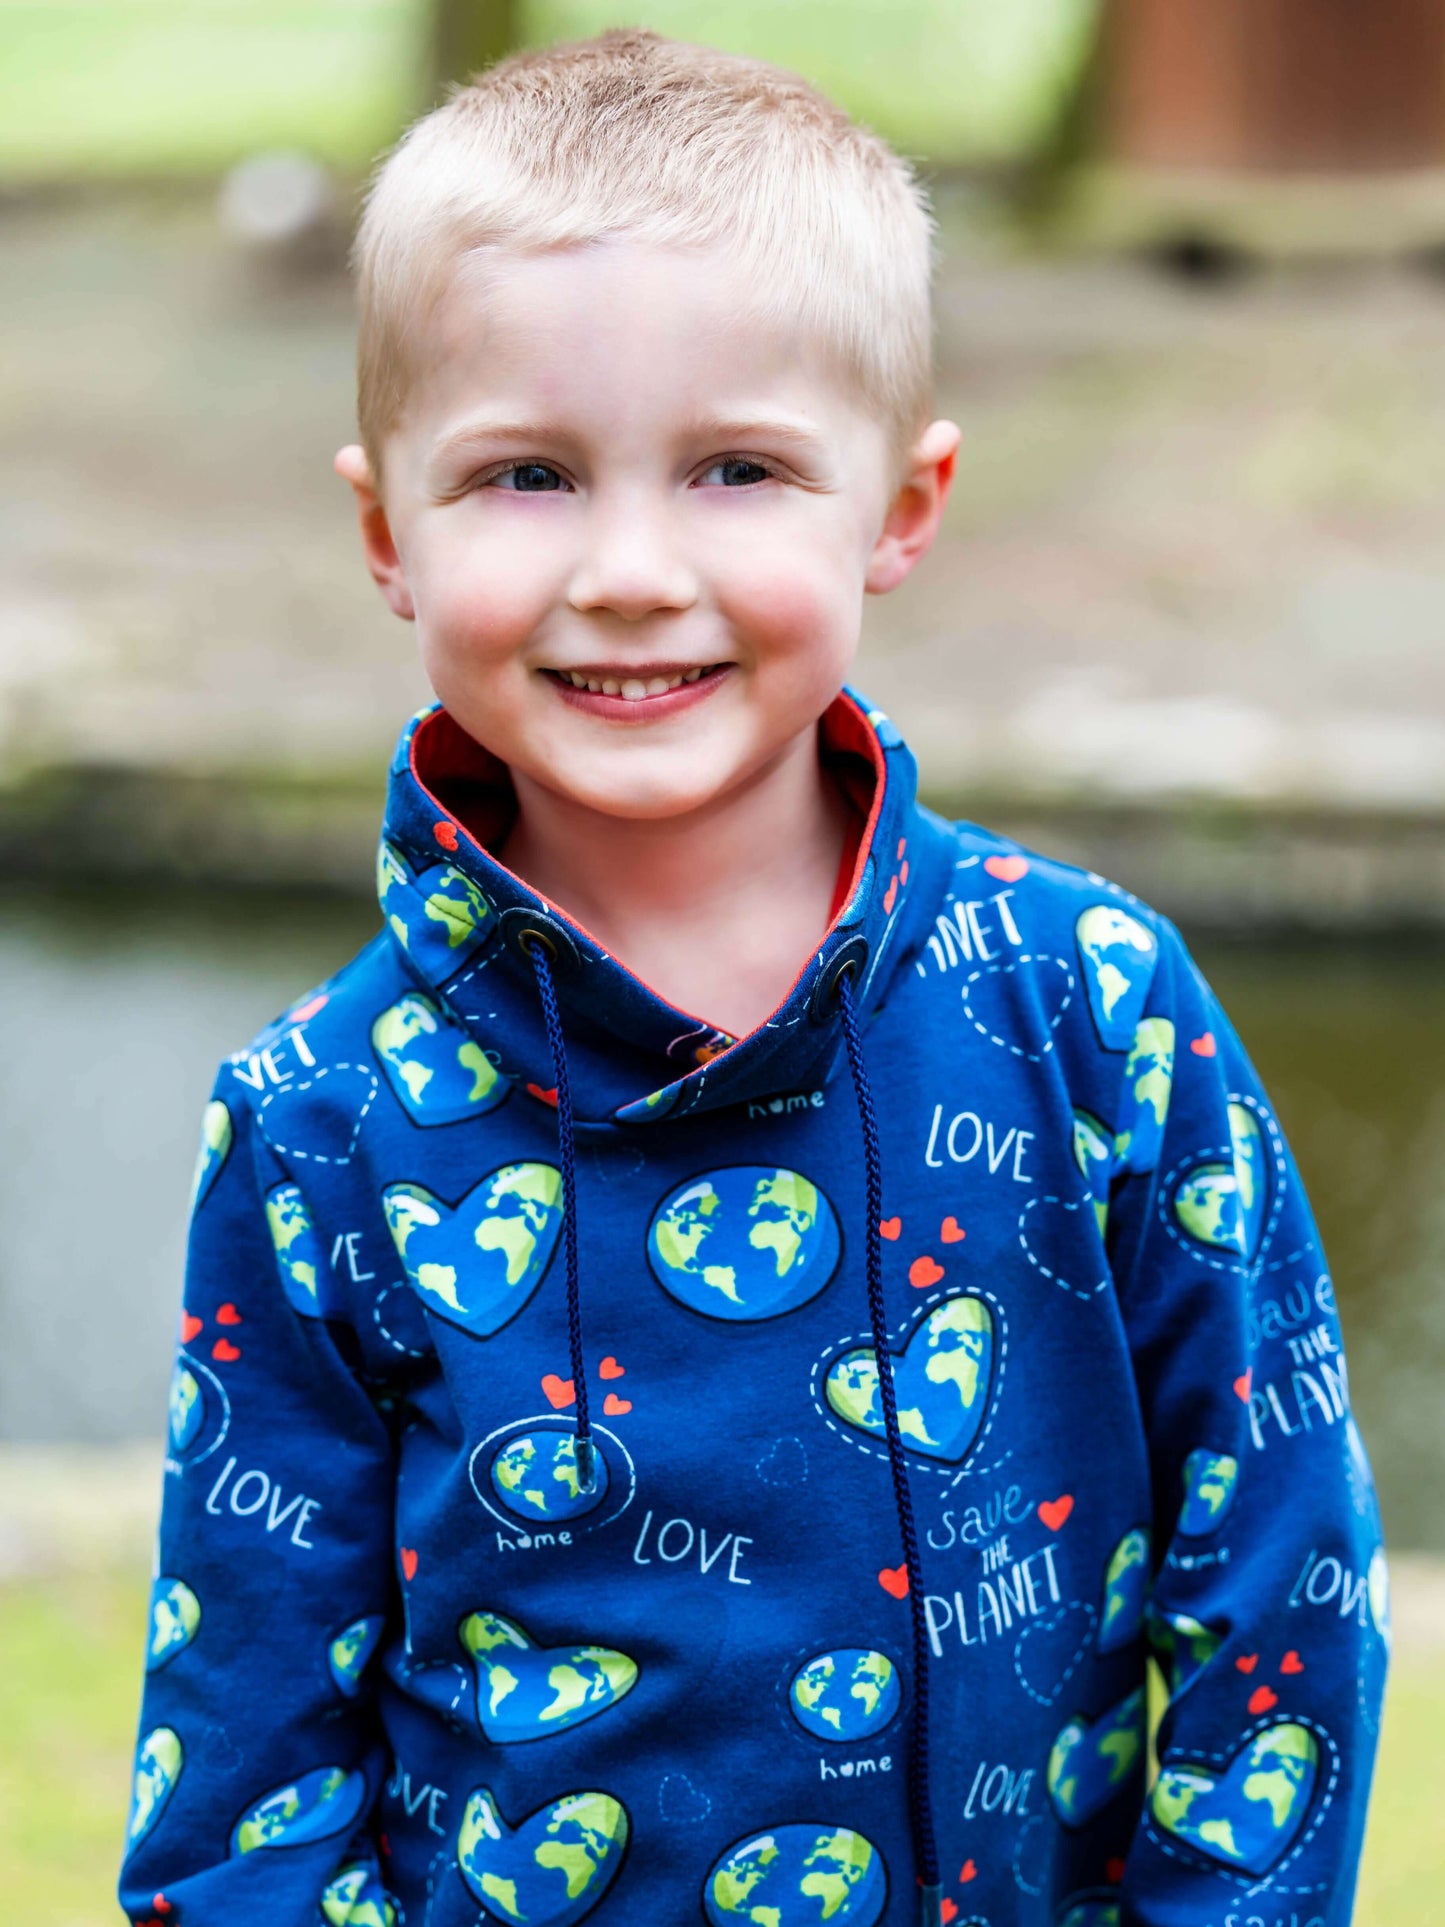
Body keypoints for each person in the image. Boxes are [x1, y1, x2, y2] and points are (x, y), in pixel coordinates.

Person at [117, 31, 1386, 1927]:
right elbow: (245, 1762)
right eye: (526, 475)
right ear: (389, 528)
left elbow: (1273, 1575)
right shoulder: (320, 1126)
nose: (630, 570)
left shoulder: (1090, 1010)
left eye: (738, 468)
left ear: (902, 503)